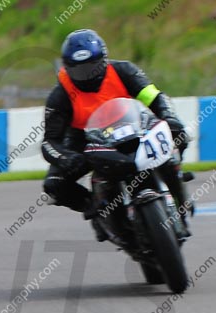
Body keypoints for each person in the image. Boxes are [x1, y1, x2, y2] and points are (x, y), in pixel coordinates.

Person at [41, 28, 193, 245]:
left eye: (91, 67)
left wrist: (168, 116)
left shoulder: (124, 70)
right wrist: (66, 157)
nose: (87, 75)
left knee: (177, 134)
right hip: (85, 138)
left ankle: (178, 188)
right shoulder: (60, 95)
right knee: (54, 184)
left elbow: (155, 97)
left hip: (132, 122)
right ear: (67, 68)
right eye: (79, 70)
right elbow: (50, 141)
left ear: (103, 61)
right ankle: (96, 209)